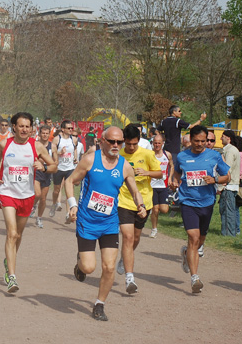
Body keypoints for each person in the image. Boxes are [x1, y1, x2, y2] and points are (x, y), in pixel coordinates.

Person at [65, 126, 147, 321]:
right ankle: (80, 265)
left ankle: (100, 304)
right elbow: (70, 181)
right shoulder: (90, 160)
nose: (116, 145)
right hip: (86, 221)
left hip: (109, 223)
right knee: (89, 268)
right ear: (102, 141)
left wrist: (140, 204)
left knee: (109, 267)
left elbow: (134, 190)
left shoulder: (125, 165)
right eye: (112, 141)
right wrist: (72, 205)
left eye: (120, 142)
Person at [0, 112, 57, 293]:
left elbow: (54, 166)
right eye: (21, 126)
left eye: (27, 126)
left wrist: (43, 167)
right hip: (7, 193)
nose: (24, 129)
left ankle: (9, 260)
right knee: (11, 233)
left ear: (31, 128)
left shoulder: (36, 146)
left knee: (18, 235)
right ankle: (11, 276)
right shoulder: (5, 144)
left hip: (27, 195)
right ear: (14, 127)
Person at [171, 125, 230, 293]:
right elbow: (176, 173)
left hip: (207, 201)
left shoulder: (214, 155)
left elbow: (228, 176)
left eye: (203, 141)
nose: (200, 144)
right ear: (191, 139)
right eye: (196, 141)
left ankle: (186, 254)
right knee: (193, 237)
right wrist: (175, 182)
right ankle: (194, 277)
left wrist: (215, 179)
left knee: (200, 240)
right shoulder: (182, 156)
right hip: (188, 202)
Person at [115, 125, 162, 294]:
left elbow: (160, 173)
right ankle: (130, 278)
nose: (131, 147)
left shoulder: (147, 154)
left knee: (135, 238)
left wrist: (146, 172)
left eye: (134, 144)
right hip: (124, 200)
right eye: (128, 144)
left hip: (144, 201)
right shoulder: (119, 155)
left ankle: (124, 258)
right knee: (127, 237)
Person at [49, 120, 79, 218]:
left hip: (70, 168)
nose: (71, 130)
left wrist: (75, 158)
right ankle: (54, 204)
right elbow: (52, 153)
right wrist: (60, 152)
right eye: (68, 128)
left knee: (69, 190)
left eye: (71, 128)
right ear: (63, 129)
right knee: (57, 190)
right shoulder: (57, 139)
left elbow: (74, 149)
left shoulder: (74, 139)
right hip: (59, 168)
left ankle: (68, 212)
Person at [31, 125, 58, 228]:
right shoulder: (35, 145)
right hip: (37, 172)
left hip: (47, 173)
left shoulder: (53, 146)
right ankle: (33, 206)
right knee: (37, 194)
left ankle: (39, 218)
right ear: (39, 134)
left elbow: (55, 160)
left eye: (47, 133)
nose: (45, 135)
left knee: (43, 198)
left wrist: (54, 162)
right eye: (43, 133)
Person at [149, 134, 173, 238]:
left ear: (162, 143)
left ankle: (153, 213)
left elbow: (172, 166)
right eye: (155, 143)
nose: (157, 145)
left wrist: (170, 178)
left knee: (164, 209)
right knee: (155, 209)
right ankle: (154, 229)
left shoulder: (167, 155)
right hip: (152, 185)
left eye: (159, 143)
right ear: (152, 143)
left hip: (163, 185)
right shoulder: (149, 154)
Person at [218, 130, 240, 237]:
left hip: (229, 186)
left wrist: (221, 185)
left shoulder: (230, 151)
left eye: (223, 136)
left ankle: (228, 233)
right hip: (231, 185)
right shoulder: (231, 150)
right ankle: (232, 232)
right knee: (229, 210)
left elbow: (227, 169)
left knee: (227, 211)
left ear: (229, 138)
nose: (221, 138)